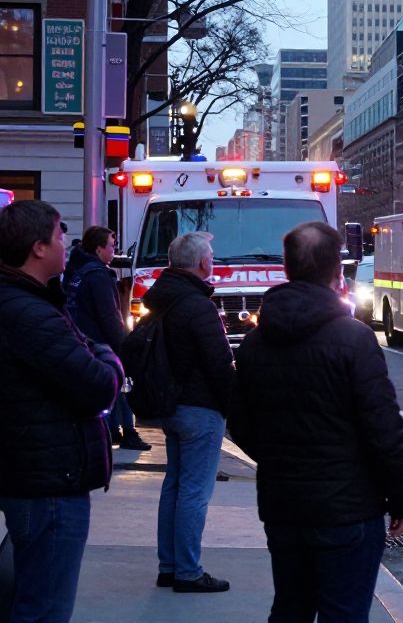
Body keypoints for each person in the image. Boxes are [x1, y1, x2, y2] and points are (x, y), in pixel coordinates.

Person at [229, 222, 403, 623]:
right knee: (344, 613)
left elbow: (240, 422)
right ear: (337, 272)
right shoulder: (354, 338)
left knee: (291, 607)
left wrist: (279, 458)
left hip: (284, 505)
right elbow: (384, 430)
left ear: (286, 268)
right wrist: (401, 498)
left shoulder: (255, 343)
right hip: (348, 508)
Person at [0, 201, 123, 622]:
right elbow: (99, 384)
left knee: (30, 596)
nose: (65, 243)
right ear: (37, 248)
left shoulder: (28, 303)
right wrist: (106, 355)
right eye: (58, 235)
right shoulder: (27, 311)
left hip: (36, 472)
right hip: (48, 481)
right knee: (44, 607)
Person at [143, 231, 234, 593]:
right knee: (195, 491)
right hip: (200, 408)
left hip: (170, 404)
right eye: (211, 255)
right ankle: (188, 571)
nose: (212, 259)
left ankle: (170, 565)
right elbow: (219, 364)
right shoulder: (198, 306)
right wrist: (236, 407)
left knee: (175, 485)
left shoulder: (162, 300)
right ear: (201, 262)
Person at [64, 225, 152, 451]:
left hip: (82, 341)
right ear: (98, 249)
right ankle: (126, 433)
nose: (115, 251)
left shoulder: (78, 273)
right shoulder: (99, 276)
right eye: (111, 246)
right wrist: (125, 348)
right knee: (121, 386)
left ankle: (115, 431)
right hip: (100, 343)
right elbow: (109, 317)